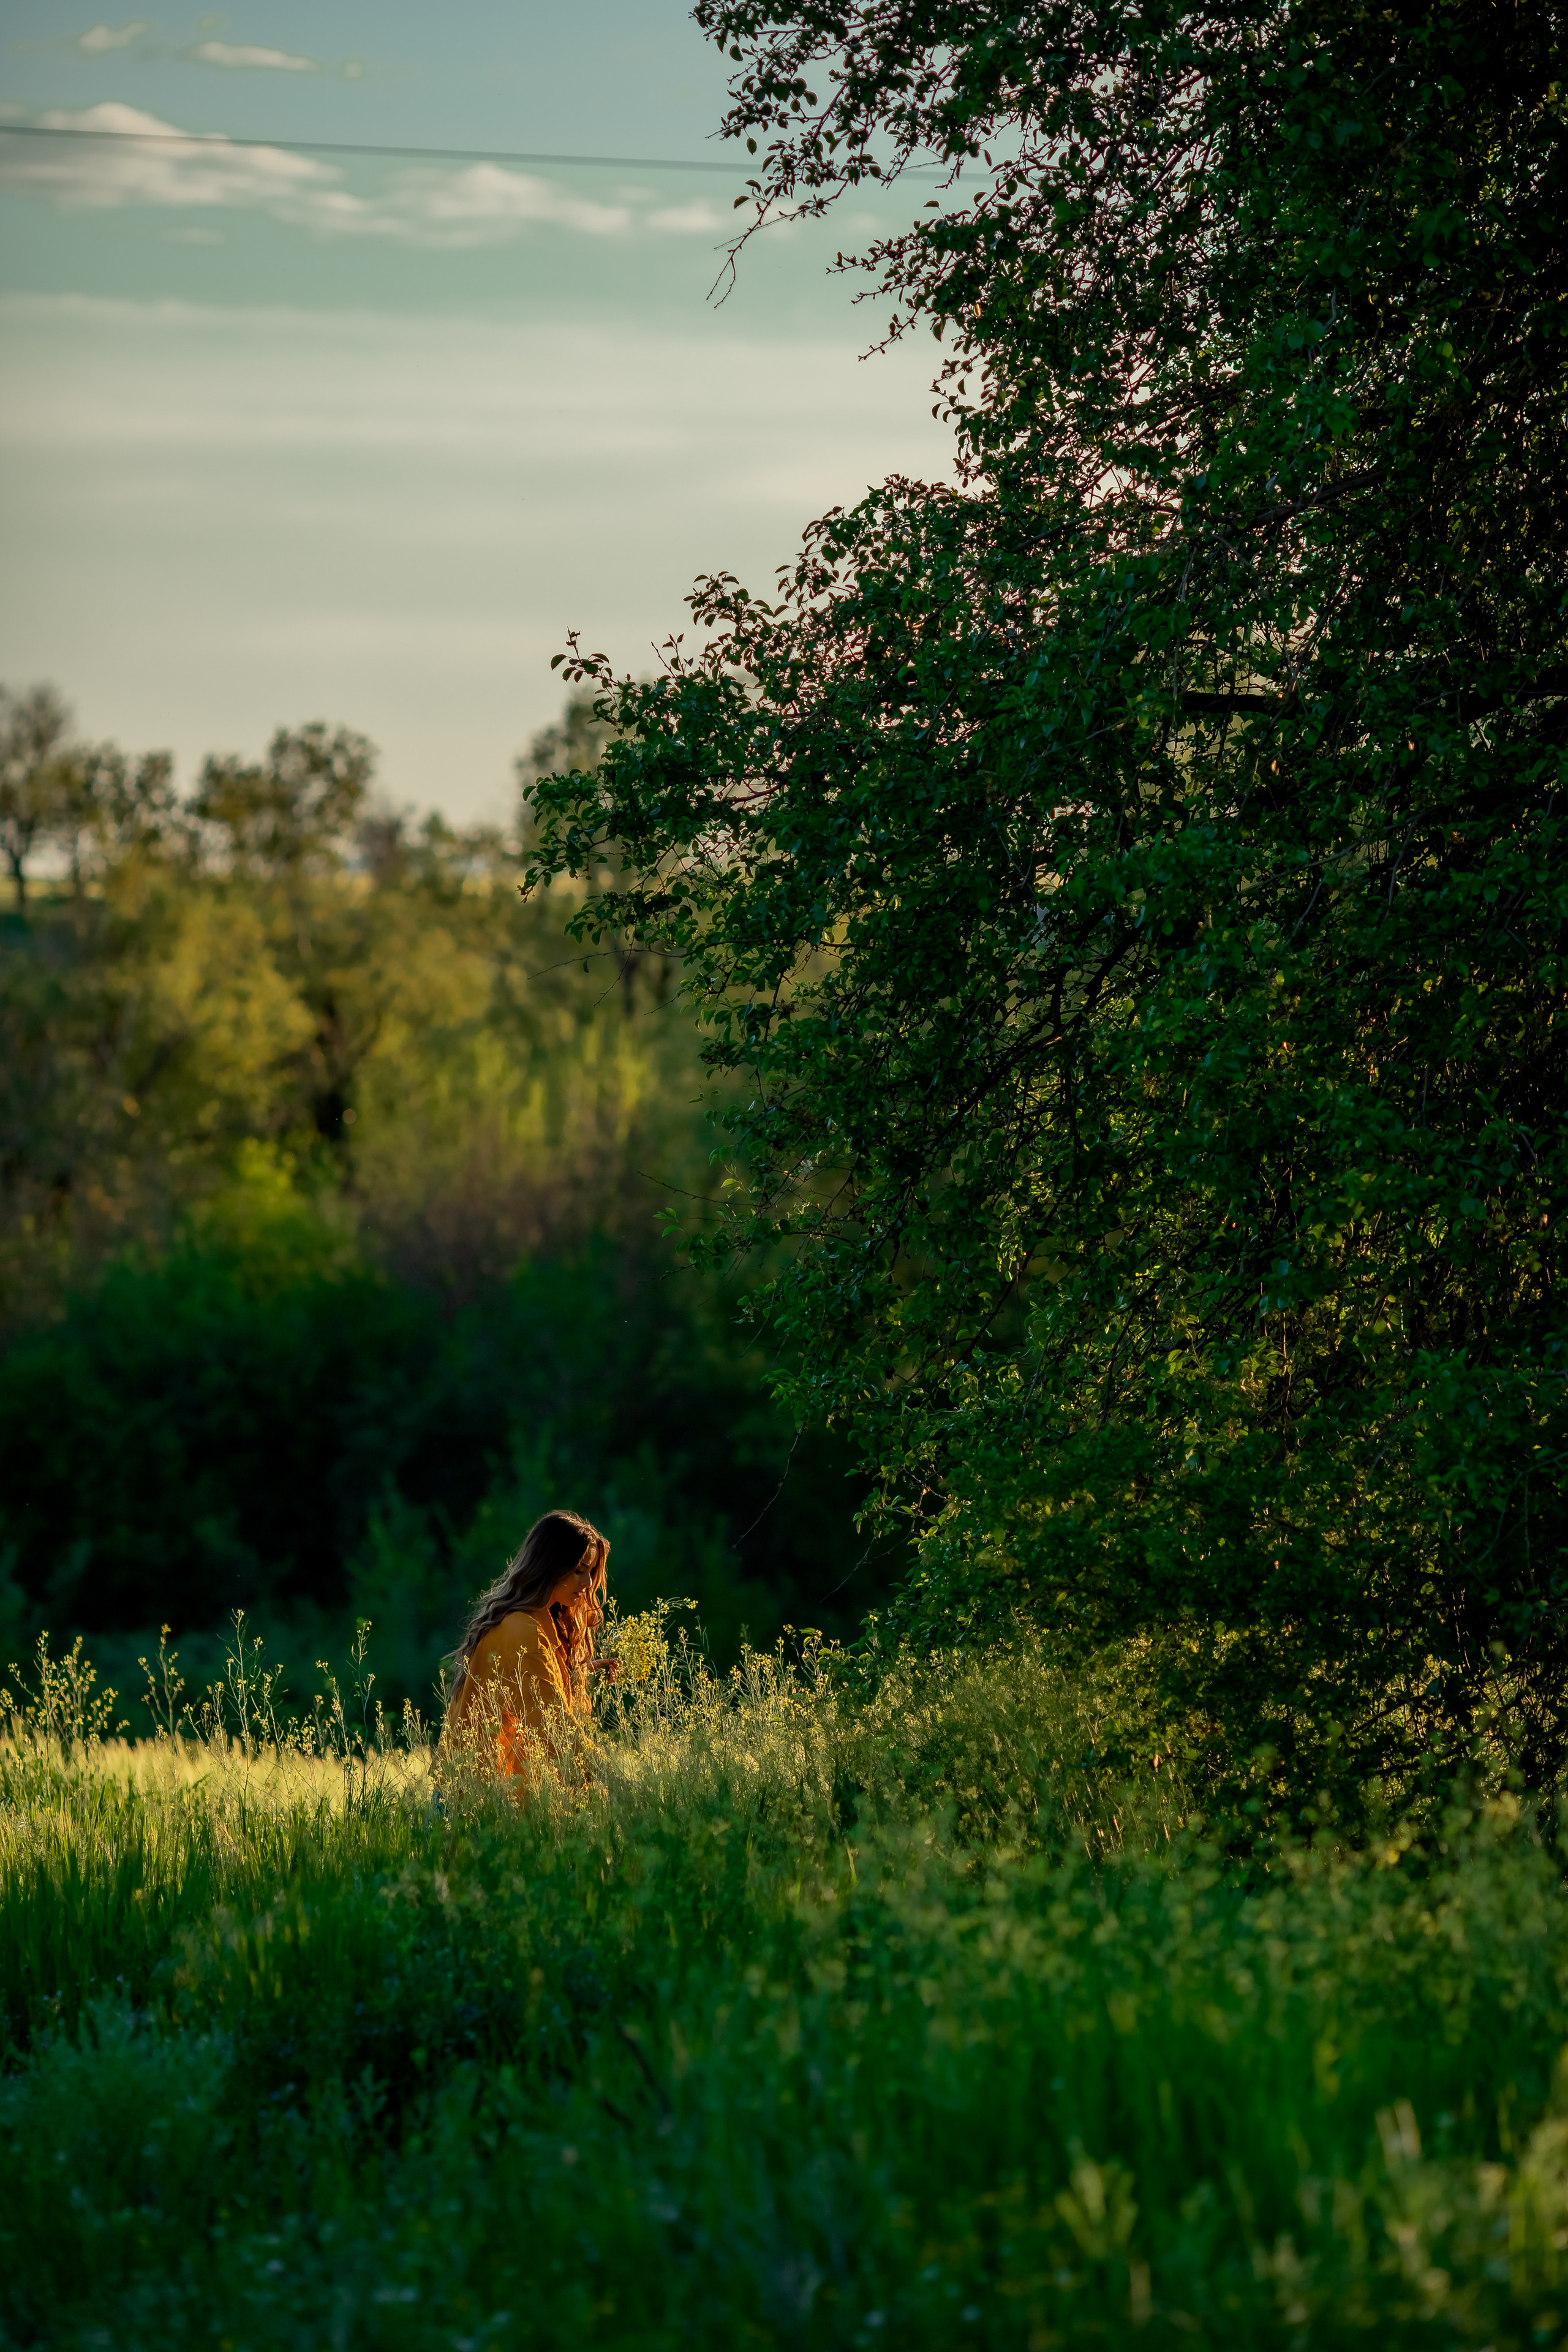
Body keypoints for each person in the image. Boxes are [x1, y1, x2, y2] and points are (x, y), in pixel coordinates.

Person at [443, 1509, 617, 1782]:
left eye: (590, 1572)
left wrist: (575, 1674)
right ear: (550, 1566)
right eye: (579, 1570)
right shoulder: (526, 1633)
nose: (587, 1583)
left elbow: (525, 1694)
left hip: (462, 1790)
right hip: (475, 1803)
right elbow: (553, 1726)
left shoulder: (523, 1622)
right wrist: (612, 1779)